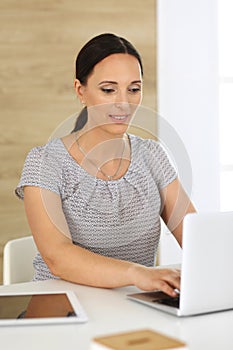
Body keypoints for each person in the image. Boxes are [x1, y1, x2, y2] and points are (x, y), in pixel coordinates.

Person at [16, 33, 195, 297]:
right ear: (81, 90)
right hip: (60, 309)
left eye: (133, 89)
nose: (123, 102)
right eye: (109, 89)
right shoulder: (45, 162)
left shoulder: (153, 156)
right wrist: (137, 273)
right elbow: (58, 257)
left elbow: (196, 240)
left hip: (131, 307)